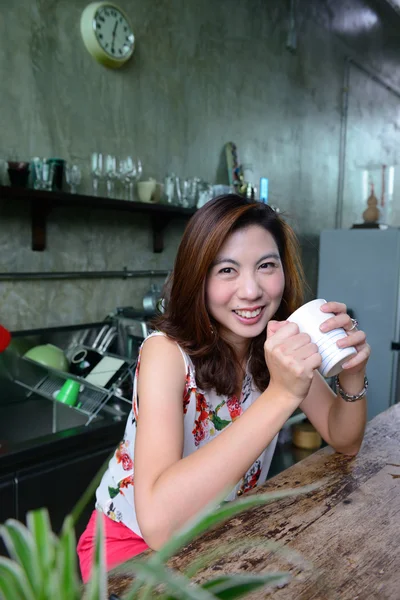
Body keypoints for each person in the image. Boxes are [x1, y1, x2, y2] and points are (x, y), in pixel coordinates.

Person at [77, 194, 370, 581]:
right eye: (227, 270)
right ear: (198, 277)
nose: (250, 291)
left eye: (266, 265)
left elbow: (343, 437)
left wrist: (351, 373)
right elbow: (159, 525)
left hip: (217, 540)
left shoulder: (276, 344)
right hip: (132, 551)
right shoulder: (165, 354)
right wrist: (283, 395)